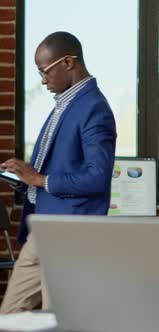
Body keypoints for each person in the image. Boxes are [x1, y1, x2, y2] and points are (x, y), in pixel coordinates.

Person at [0, 31, 117, 313]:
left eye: (45, 71)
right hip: (42, 231)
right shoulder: (65, 105)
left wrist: (37, 178)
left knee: (57, 322)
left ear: (68, 62)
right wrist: (22, 179)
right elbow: (54, 171)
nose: (42, 80)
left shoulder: (94, 108)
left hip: (70, 235)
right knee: (9, 317)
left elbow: (97, 176)